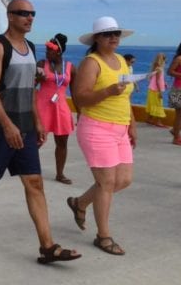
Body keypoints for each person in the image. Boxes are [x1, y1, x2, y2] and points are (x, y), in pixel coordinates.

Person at [0, 0, 80, 264]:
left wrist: (37, 122)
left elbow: (29, 89)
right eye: (23, 14)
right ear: (9, 16)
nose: (29, 18)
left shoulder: (30, 47)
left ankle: (47, 246)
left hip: (25, 127)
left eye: (32, 14)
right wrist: (7, 125)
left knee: (34, 182)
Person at [68, 16, 136, 256]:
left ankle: (80, 202)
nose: (114, 37)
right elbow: (81, 97)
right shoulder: (91, 62)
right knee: (106, 182)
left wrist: (132, 124)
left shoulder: (120, 60)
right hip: (97, 128)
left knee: (123, 180)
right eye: (108, 34)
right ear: (97, 38)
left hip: (120, 128)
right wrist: (107, 91)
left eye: (116, 33)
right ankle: (103, 236)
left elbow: (125, 97)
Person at [35, 33, 76, 184]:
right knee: (37, 140)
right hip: (42, 106)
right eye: (46, 50)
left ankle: (60, 174)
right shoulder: (41, 63)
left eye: (49, 50)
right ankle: (26, 167)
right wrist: (37, 80)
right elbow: (31, 86)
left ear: (58, 51)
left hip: (61, 108)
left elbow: (75, 93)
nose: (46, 53)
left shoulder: (71, 67)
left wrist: (81, 112)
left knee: (62, 143)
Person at [145, 53, 168, 126]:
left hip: (152, 89)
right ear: (162, 60)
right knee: (158, 105)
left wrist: (164, 83)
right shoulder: (159, 69)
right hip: (156, 90)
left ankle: (149, 119)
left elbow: (156, 79)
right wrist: (160, 91)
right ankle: (158, 121)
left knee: (152, 104)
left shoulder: (155, 68)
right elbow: (158, 80)